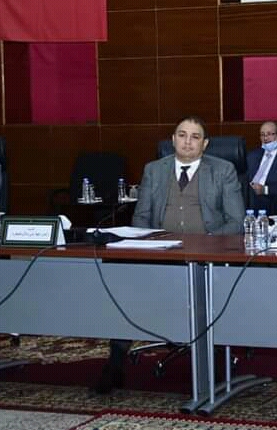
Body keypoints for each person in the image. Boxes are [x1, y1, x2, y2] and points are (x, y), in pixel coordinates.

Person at [94, 115, 245, 394]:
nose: (188, 142)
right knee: (125, 290)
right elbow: (141, 217)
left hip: (206, 258)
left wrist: (206, 244)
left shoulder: (223, 170)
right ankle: (115, 364)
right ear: (173, 140)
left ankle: (212, 364)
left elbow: (236, 222)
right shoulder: (154, 170)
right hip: (159, 254)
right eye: (182, 135)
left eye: (195, 137)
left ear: (205, 144)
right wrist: (146, 245)